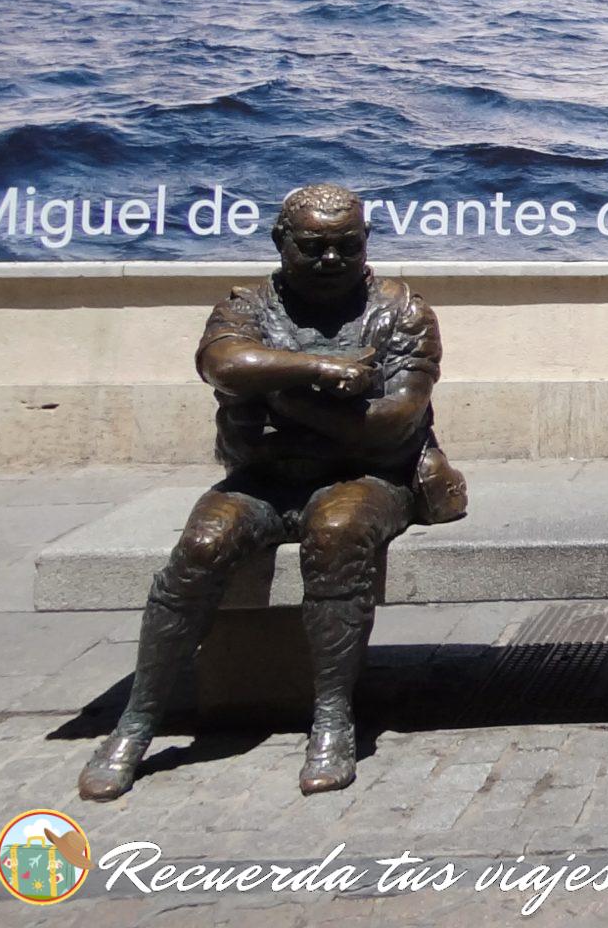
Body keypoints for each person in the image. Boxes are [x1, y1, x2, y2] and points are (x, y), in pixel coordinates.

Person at [77, 184, 466, 802]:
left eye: (347, 245)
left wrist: (279, 396)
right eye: (314, 246)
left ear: (366, 243)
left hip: (368, 477)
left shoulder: (403, 312)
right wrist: (320, 372)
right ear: (281, 243)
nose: (332, 259)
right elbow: (223, 364)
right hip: (262, 479)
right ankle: (138, 721)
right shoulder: (248, 306)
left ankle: (333, 719)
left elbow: (392, 423)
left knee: (337, 535)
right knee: (202, 546)